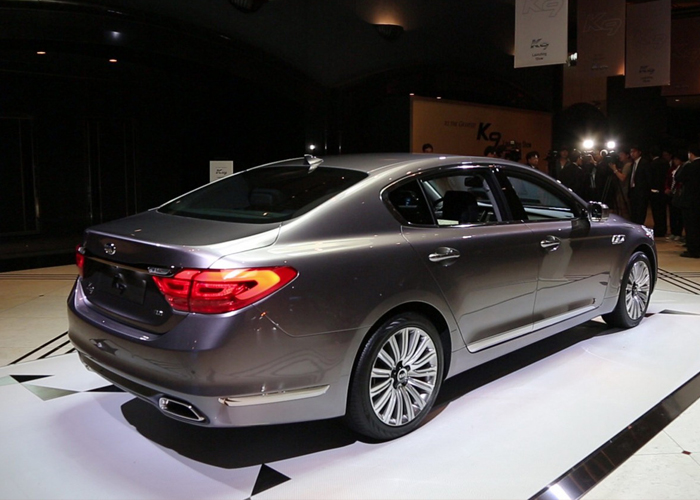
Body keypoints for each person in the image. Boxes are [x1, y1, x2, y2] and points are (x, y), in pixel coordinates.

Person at [675, 145, 700, 258]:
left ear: (691, 154)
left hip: (690, 200)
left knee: (690, 226)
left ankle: (693, 250)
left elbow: (678, 177)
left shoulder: (690, 166)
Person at [648, 147, 671, 238]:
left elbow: (651, 178)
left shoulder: (652, 164)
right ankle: (663, 228)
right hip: (663, 189)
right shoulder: (665, 163)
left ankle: (658, 229)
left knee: (656, 212)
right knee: (663, 211)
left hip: (655, 190)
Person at [628, 145, 652, 225]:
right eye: (631, 152)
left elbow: (648, 177)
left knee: (640, 211)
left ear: (639, 152)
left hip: (641, 191)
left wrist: (646, 190)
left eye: (634, 151)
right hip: (633, 190)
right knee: (633, 211)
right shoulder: (633, 164)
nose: (632, 153)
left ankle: (639, 225)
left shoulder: (644, 163)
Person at [667, 151, 686, 242]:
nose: (675, 161)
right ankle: (673, 232)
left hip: (679, 194)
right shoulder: (672, 169)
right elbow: (668, 179)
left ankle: (678, 232)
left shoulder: (683, 168)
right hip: (672, 193)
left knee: (679, 215)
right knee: (672, 214)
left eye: (676, 159)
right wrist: (667, 188)